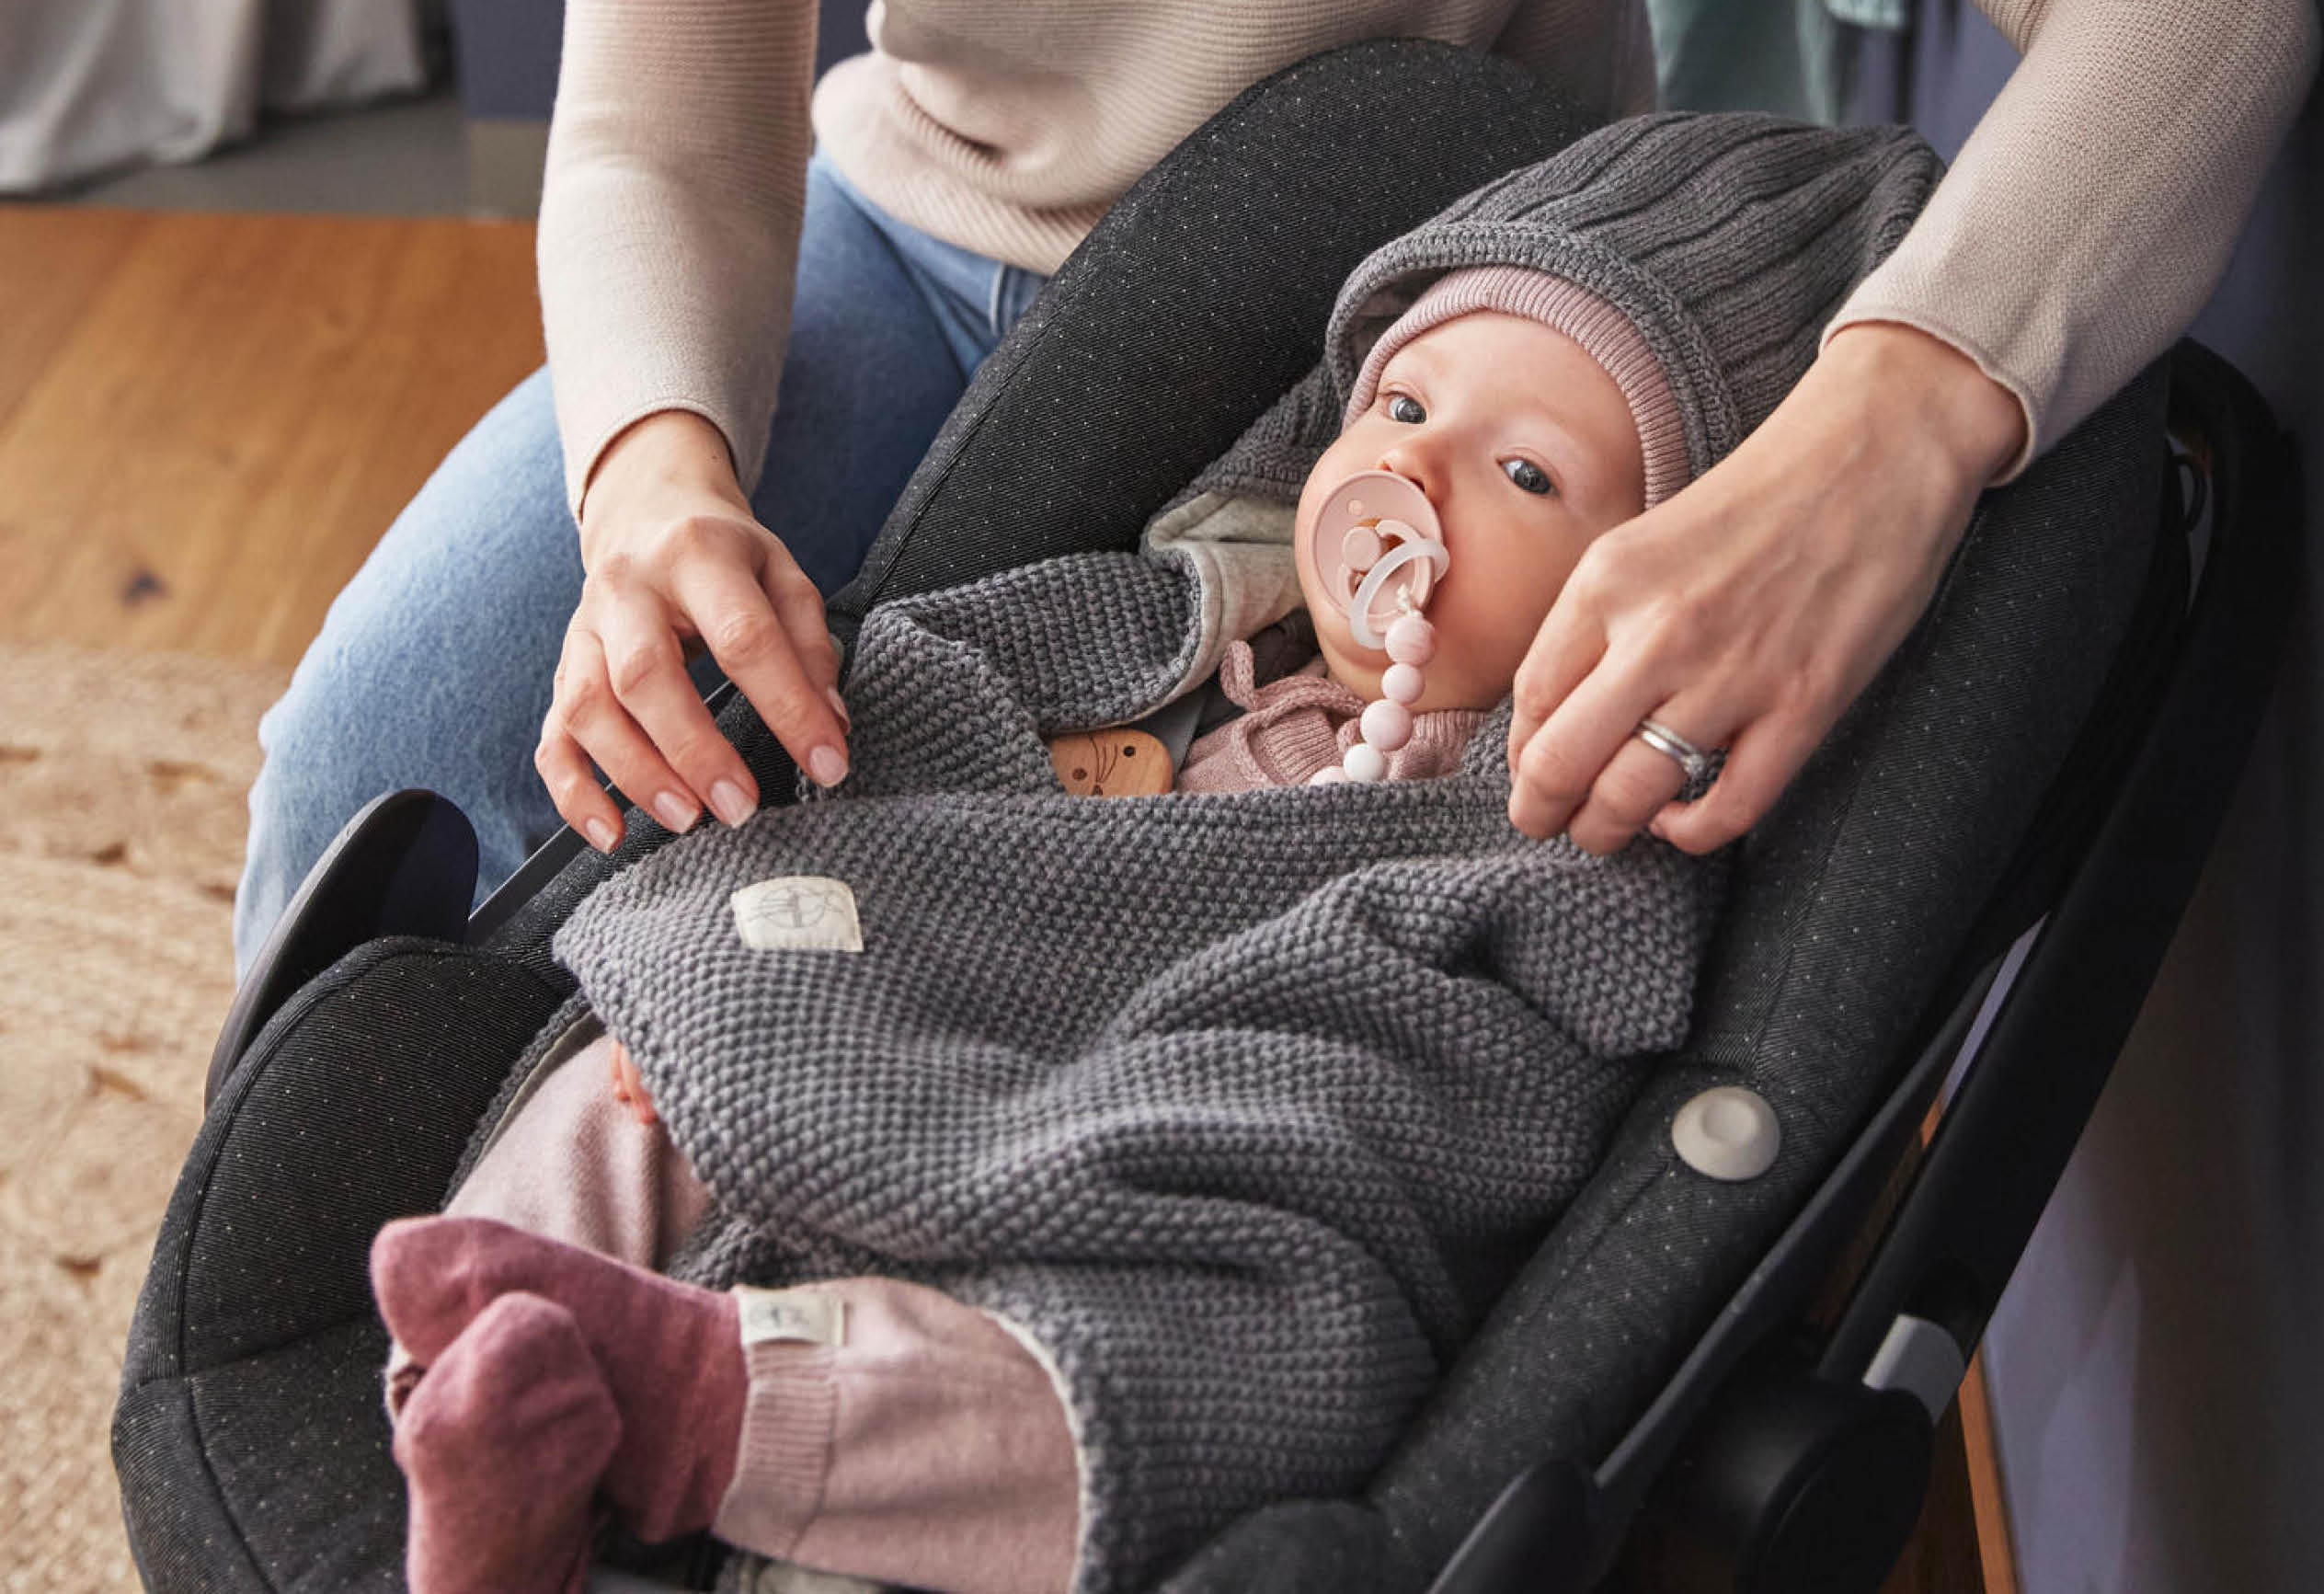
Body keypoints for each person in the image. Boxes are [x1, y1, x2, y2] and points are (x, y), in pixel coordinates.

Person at [363, 114, 1953, 1594]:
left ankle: (695, 1407)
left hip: (1174, 1187)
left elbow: (1464, 1102)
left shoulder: (1567, 853)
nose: (1414, 476)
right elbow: (909, 708)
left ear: (1663, 580)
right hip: (890, 1038)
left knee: (1277, 1363)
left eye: (1526, 473)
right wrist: (731, 986)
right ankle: (497, 1370)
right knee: (627, 1067)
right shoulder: (1169, 628)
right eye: (1400, 406)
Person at [230, 0, 2318, 978]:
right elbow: (661, 142)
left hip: (1430, 314)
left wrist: (1889, 435)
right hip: (912, 252)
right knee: (386, 757)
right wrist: (654, 475)